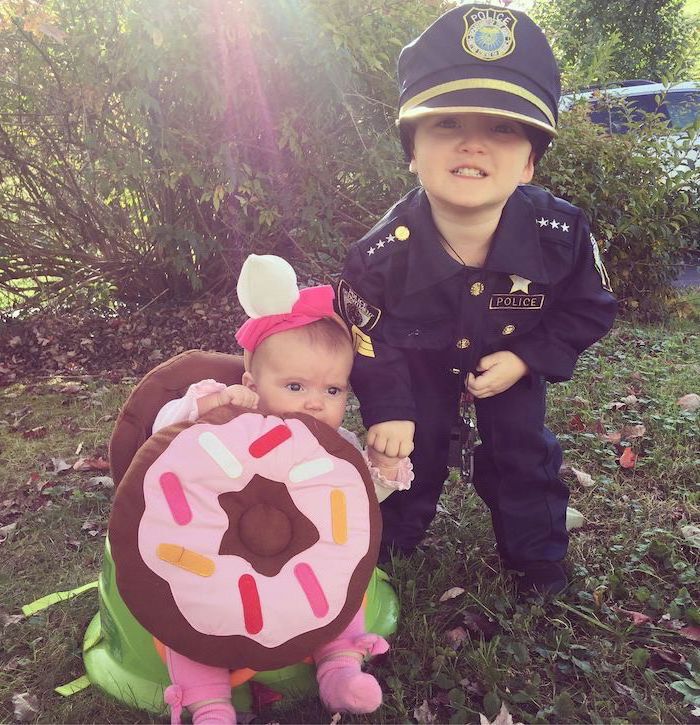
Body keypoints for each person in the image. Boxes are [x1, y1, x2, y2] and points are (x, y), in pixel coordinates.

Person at [336, 4, 617, 596]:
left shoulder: (561, 234)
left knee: (522, 451)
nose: (472, 143)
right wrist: (389, 408)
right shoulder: (378, 254)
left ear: (531, 158)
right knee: (414, 448)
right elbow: (365, 335)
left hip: (513, 358)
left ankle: (537, 558)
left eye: (502, 128)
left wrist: (527, 358)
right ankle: (390, 542)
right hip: (416, 367)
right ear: (411, 148)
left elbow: (589, 308)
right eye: (446, 124)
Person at [153, 254, 413, 724]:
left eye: (334, 391)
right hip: (214, 558)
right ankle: (207, 702)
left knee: (342, 590)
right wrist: (214, 405)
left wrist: (385, 465)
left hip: (300, 564)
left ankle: (339, 665)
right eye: (295, 386)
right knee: (183, 614)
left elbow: (359, 505)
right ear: (252, 382)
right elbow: (163, 437)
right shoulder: (224, 415)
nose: (316, 401)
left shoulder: (335, 447)